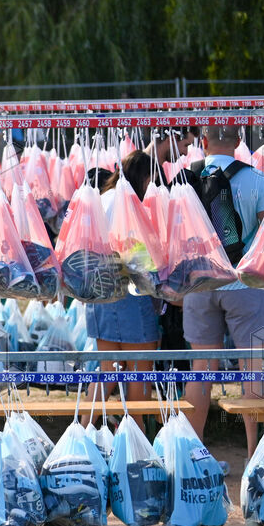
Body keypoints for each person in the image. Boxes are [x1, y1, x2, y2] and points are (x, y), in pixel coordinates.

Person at [175, 126, 264, 456]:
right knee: (253, 366)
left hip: (200, 283)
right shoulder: (258, 181)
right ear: (239, 141)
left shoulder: (186, 179)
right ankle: (253, 453)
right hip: (245, 284)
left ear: (203, 142)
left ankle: (195, 454)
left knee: (202, 367)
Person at [87, 151, 162, 402]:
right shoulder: (130, 203)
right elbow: (138, 255)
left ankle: (84, 424)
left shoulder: (103, 198)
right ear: (144, 177)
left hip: (100, 294)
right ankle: (136, 426)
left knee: (107, 371)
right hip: (130, 294)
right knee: (140, 371)